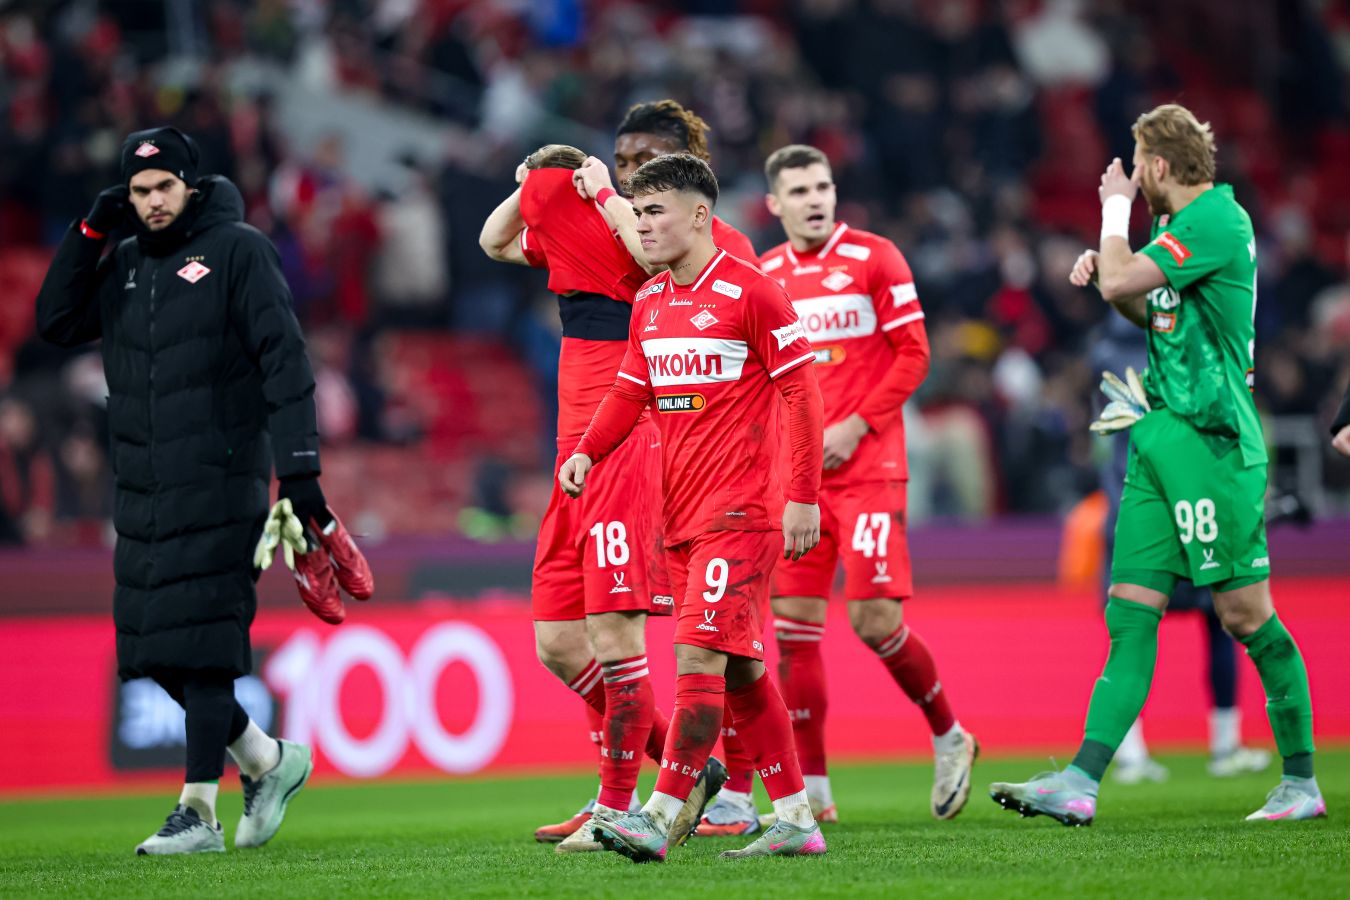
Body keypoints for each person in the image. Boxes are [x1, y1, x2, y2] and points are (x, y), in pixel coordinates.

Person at [34, 126, 371, 855]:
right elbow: (55, 320)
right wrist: (91, 230)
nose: (153, 201)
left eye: (163, 186)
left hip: (223, 480)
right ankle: (266, 759)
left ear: (189, 185)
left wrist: (300, 472)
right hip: (144, 490)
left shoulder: (239, 250)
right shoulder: (125, 264)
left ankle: (198, 812)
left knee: (206, 644)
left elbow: (285, 360)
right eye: (139, 191)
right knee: (152, 649)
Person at [990, 104, 1324, 824]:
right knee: (1130, 609)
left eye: (1137, 163)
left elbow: (1122, 283)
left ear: (1161, 165)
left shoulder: (1216, 220)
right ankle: (1080, 781)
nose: (1132, 175)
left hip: (1212, 440)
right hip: (1157, 434)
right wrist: (1113, 276)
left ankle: (1301, 782)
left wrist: (1112, 219)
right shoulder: (1176, 231)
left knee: (1244, 615)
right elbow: (1154, 316)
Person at [698, 145, 978, 836]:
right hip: (800, 483)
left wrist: (857, 425)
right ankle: (816, 790)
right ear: (775, 204)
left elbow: (915, 353)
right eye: (799, 191)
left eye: (822, 187)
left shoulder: (876, 257)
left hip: (870, 469)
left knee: (874, 620)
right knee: (794, 633)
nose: (815, 199)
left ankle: (949, 735)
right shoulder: (764, 275)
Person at [560, 153, 828, 862]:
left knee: (697, 657)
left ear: (700, 215)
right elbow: (631, 389)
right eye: (637, 212)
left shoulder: (753, 292)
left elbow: (803, 395)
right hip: (679, 518)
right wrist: (587, 450)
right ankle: (796, 817)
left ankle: (659, 813)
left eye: (655, 211)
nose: (642, 226)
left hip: (741, 511)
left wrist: (803, 497)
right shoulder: (650, 300)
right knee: (741, 672)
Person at [479, 144, 716, 853]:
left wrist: (606, 194)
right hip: (572, 459)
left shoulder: (642, 237)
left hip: (623, 444)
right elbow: (493, 241)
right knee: (557, 642)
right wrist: (531, 182)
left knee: (616, 639)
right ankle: (684, 764)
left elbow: (652, 263)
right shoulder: (568, 242)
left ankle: (616, 808)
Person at [1091, 313, 1270, 784]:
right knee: (1223, 619)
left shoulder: (1105, 353)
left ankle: (1129, 751)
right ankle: (1225, 744)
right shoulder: (1185, 345)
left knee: (1132, 627)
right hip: (1191, 500)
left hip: (1131, 505)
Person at [610, 100, 759, 263]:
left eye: (644, 162)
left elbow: (653, 266)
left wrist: (605, 194)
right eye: (621, 163)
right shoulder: (603, 229)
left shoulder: (731, 247)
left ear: (684, 161)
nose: (626, 177)